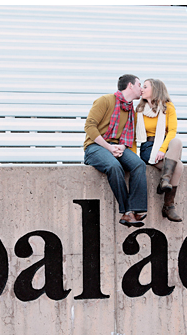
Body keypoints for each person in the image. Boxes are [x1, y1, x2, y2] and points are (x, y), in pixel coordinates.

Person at [83, 74, 147, 228]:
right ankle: (126, 212)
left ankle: (137, 209)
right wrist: (109, 147)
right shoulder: (105, 101)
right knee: (114, 166)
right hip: (95, 147)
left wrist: (122, 147)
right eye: (139, 85)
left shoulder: (130, 108)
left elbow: (128, 134)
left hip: (117, 146)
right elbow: (89, 126)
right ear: (130, 85)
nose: (141, 89)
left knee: (139, 164)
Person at [135, 78, 184, 222]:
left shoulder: (168, 107)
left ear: (155, 89)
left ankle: (165, 180)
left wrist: (162, 149)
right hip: (148, 147)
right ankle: (169, 206)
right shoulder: (139, 110)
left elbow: (172, 131)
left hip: (166, 146)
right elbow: (132, 134)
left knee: (177, 141)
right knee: (179, 166)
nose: (141, 89)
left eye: (145, 87)